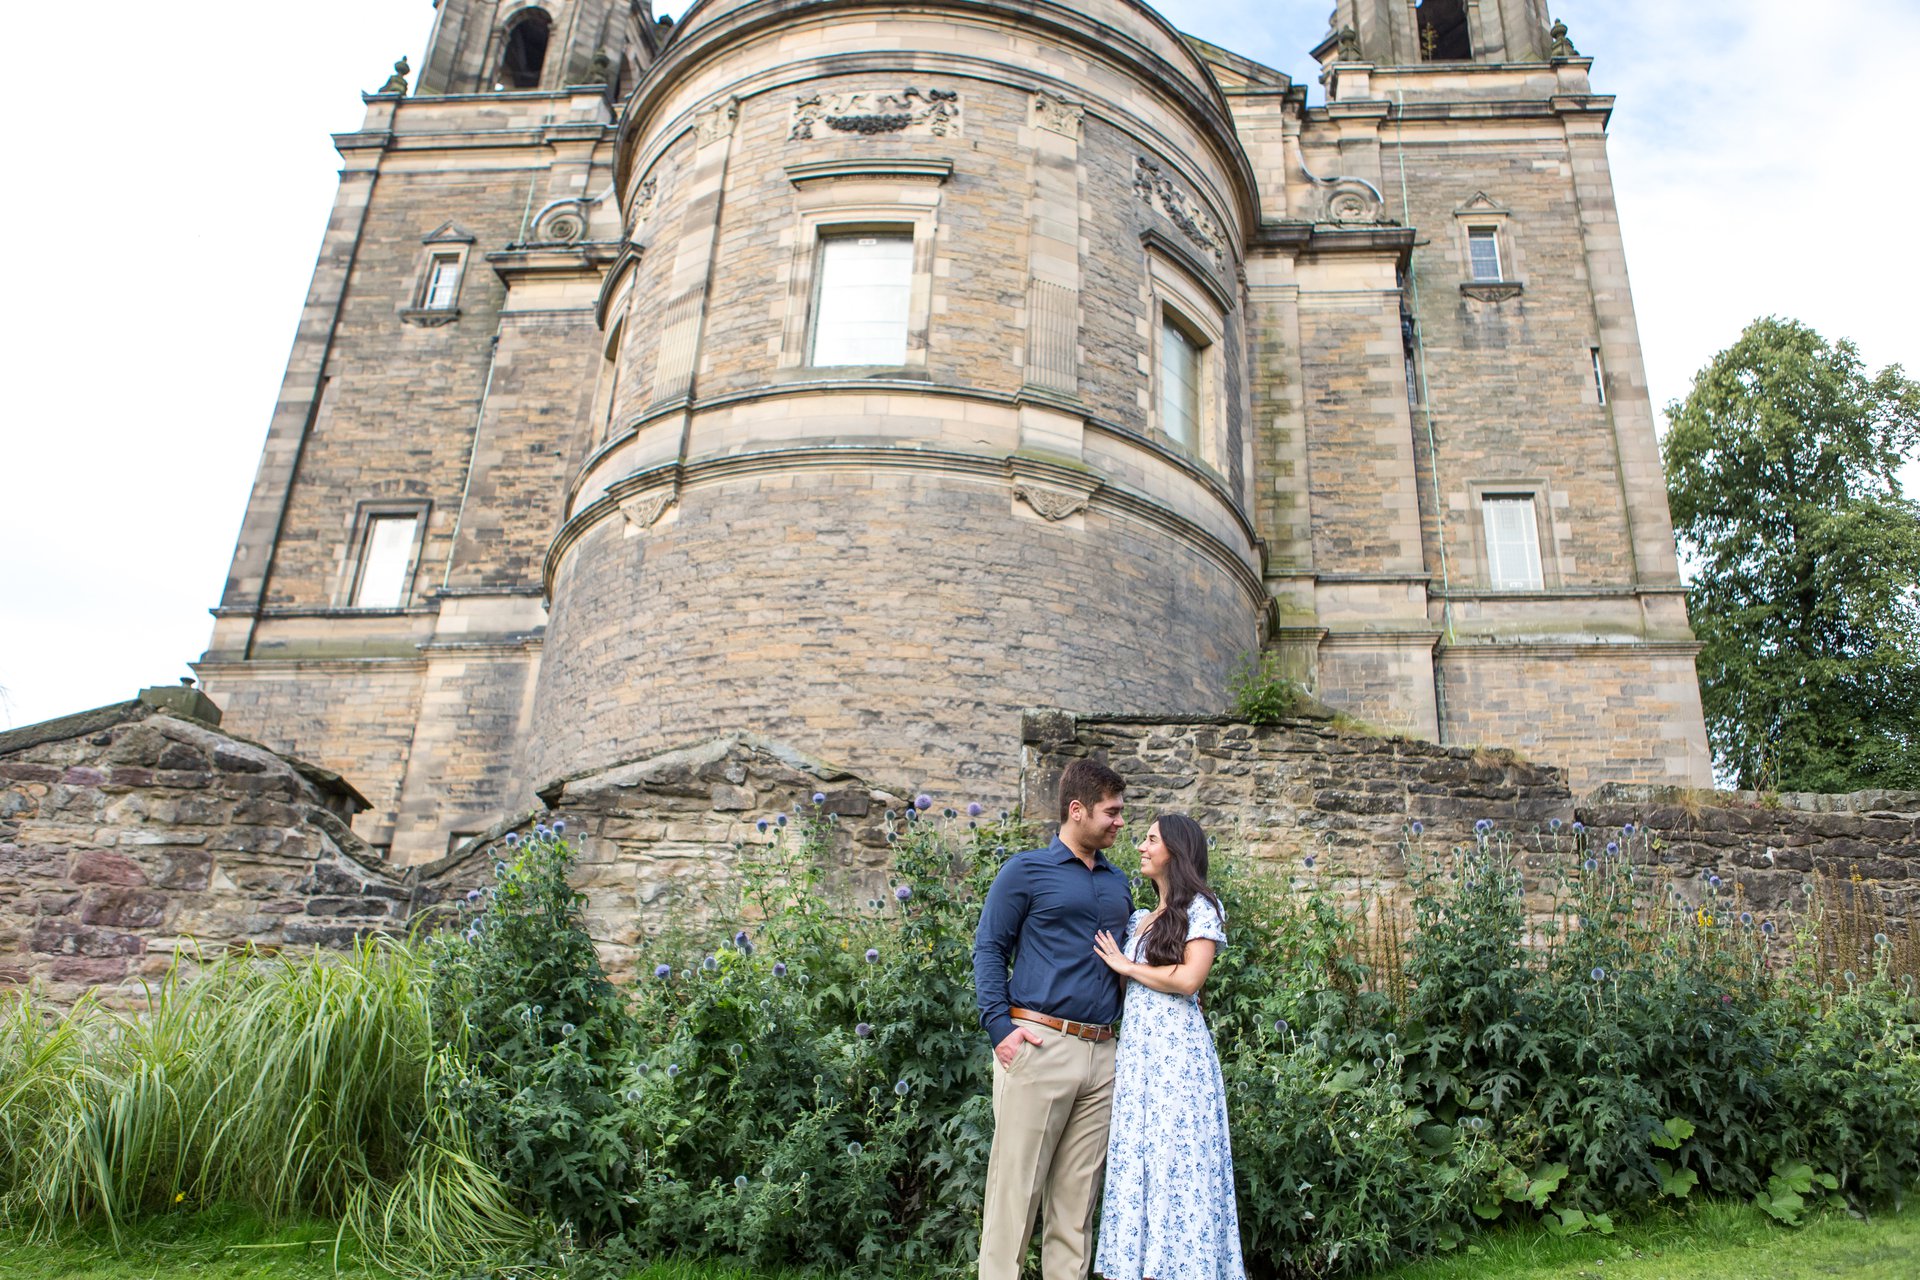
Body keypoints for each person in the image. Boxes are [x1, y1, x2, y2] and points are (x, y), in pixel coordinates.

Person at [973, 759, 1136, 1280]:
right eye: (1111, 812)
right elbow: (989, 948)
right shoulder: (1025, 871)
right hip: (1039, 1047)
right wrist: (1000, 1030)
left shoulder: (1118, 882)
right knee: (1014, 1196)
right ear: (1077, 810)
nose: (1120, 822)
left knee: (1077, 1206)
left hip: (1103, 1055)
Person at [1090, 813, 1245, 1280]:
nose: (1140, 846)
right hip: (1138, 1058)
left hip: (1177, 1059)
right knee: (1140, 1162)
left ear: (1176, 852)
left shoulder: (1202, 908)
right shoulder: (1140, 919)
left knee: (1177, 1163)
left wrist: (1127, 966)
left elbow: (1190, 979)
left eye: (1151, 839)